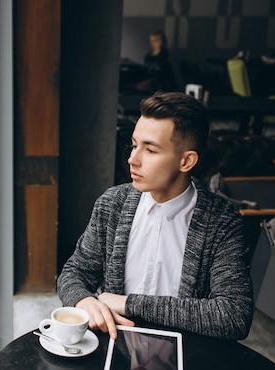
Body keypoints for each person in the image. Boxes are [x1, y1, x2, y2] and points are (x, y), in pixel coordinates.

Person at [57, 92, 253, 341]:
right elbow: (75, 272)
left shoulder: (222, 222)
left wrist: (129, 304)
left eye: (150, 150)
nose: (132, 159)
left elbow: (234, 315)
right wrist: (84, 300)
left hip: (187, 360)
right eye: (134, 144)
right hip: (116, 348)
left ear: (186, 161)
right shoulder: (112, 204)